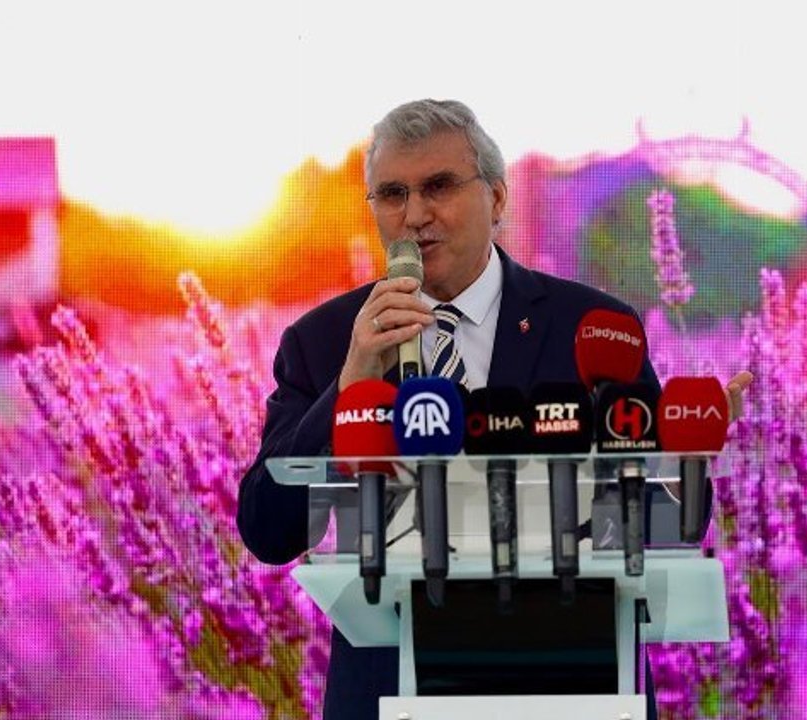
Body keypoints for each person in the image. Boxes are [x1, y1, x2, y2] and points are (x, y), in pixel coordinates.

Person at [238, 98, 752, 720]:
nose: (415, 215)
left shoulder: (592, 327)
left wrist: (683, 456)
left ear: (498, 199)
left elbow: (667, 522)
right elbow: (268, 530)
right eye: (393, 194)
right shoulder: (324, 342)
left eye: (439, 186)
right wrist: (351, 384)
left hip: (574, 687)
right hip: (390, 694)